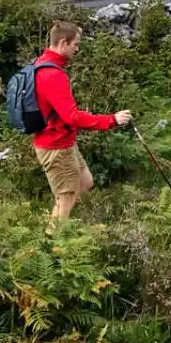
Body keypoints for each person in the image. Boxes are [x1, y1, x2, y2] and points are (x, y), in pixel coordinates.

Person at [32, 21, 132, 220]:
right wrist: (111, 120)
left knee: (84, 182)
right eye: (75, 44)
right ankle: (54, 243)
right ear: (63, 42)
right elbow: (72, 116)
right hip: (56, 146)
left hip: (63, 141)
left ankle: (58, 222)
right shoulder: (52, 74)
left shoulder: (42, 63)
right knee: (65, 199)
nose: (77, 49)